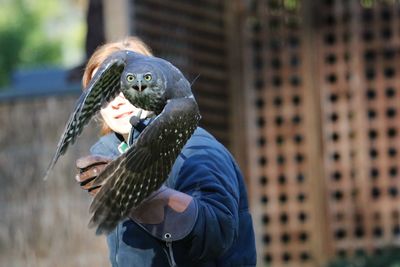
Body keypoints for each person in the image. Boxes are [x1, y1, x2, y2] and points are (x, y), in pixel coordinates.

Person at [75, 36, 257, 267]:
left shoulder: (195, 148)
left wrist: (148, 198)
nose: (115, 102)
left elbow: (217, 231)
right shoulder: (110, 154)